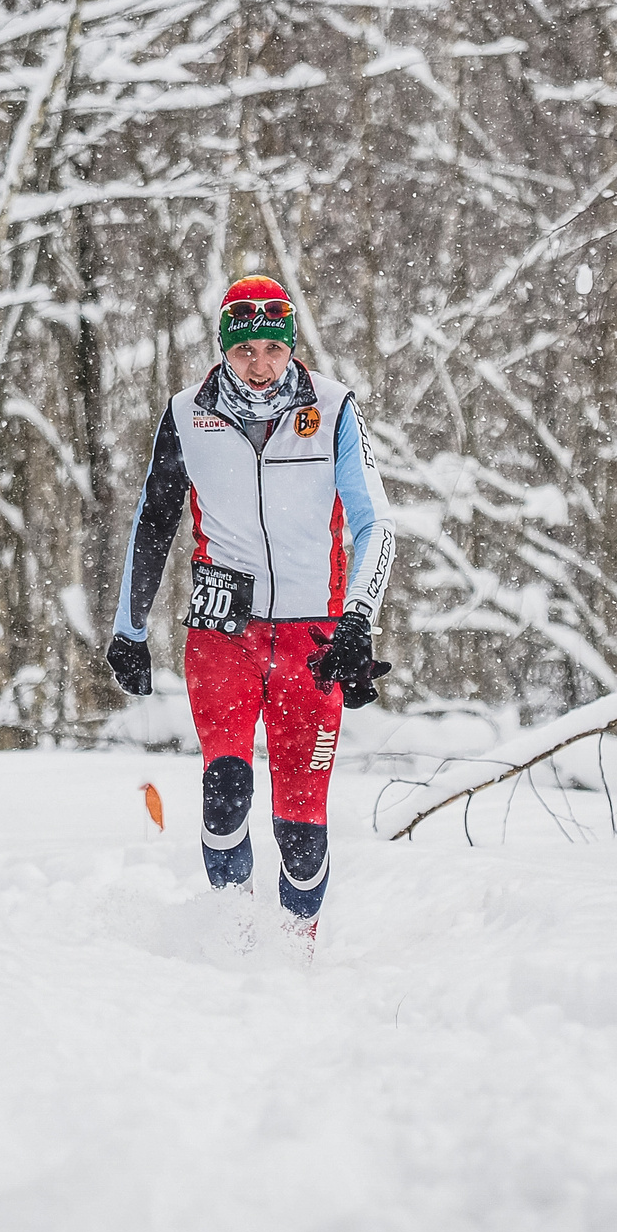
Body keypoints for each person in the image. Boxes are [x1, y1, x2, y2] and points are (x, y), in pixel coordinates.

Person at [106, 274, 394, 946]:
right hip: (222, 632)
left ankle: (295, 948)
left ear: (289, 345)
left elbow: (375, 523)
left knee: (300, 823)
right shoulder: (186, 414)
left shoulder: (334, 408)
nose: (261, 366)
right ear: (223, 349)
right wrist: (129, 629)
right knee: (226, 788)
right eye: (245, 352)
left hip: (314, 640)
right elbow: (154, 521)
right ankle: (234, 933)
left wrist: (358, 616)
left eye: (272, 348)